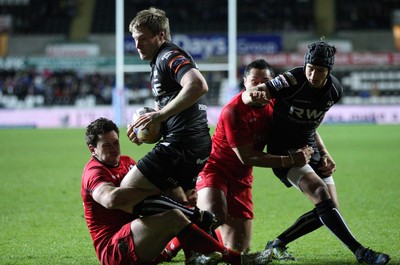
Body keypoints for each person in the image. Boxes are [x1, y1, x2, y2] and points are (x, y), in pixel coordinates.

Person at [249, 41, 390, 265]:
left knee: (329, 209)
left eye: (320, 70)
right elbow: (261, 91)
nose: (313, 75)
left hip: (309, 148)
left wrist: (324, 152)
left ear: (329, 71)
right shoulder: (291, 80)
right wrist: (254, 94)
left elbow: (313, 124)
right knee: (319, 192)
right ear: (305, 64)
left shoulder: (335, 90)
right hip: (284, 150)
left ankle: (277, 243)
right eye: (310, 68)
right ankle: (361, 252)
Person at [81, 117, 273, 265]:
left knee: (179, 200)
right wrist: (154, 190)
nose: (114, 149)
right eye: (106, 145)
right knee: (175, 215)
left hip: (139, 238)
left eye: (116, 142)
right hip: (114, 249)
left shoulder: (126, 162)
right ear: (93, 149)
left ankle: (184, 252)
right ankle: (235, 259)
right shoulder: (94, 172)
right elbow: (110, 200)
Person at [195, 59, 313, 253]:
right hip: (215, 169)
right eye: (254, 81)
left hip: (241, 177)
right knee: (214, 215)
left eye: (265, 81)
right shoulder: (233, 111)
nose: (259, 86)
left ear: (273, 84)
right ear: (245, 83)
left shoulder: (277, 105)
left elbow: (304, 126)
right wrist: (291, 160)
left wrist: (323, 153)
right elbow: (247, 157)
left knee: (240, 250)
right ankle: (174, 242)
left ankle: (205, 234)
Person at [122, 7, 211, 205]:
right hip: (193, 145)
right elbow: (168, 115)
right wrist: (143, 129)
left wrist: (161, 115)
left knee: (125, 191)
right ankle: (199, 228)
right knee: (182, 203)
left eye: (143, 38)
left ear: (160, 35)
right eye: (135, 39)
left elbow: (198, 85)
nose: (137, 45)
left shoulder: (168, 55)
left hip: (181, 145)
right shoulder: (159, 61)